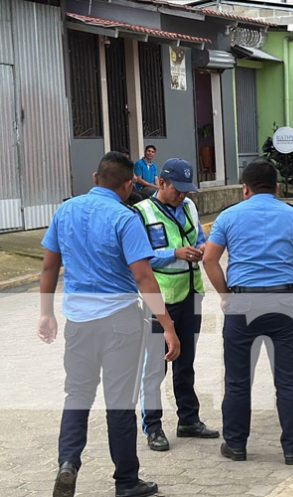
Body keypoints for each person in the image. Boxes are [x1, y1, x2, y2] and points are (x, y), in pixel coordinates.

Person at [38, 151, 181, 497]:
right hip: (120, 323)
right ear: (129, 185)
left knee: (77, 396)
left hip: (79, 324)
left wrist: (46, 313)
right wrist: (167, 324)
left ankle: (68, 463)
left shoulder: (65, 211)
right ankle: (126, 482)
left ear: (94, 178)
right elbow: (145, 278)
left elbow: (48, 268)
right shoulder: (125, 218)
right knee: (119, 403)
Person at [202, 158, 293, 465]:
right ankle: (292, 450)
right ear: (277, 188)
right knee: (288, 380)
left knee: (237, 380)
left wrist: (226, 296)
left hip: (241, 305)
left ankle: (235, 445)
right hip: (282, 304)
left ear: (245, 189)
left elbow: (209, 260)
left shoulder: (229, 217)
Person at [134, 158, 219, 452]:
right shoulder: (142, 213)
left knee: (186, 363)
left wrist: (203, 248)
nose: (181, 195)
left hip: (191, 294)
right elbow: (140, 258)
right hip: (160, 301)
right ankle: (153, 426)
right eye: (176, 190)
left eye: (186, 190)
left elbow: (201, 237)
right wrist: (175, 253)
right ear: (161, 183)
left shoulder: (189, 207)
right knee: (155, 368)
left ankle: (188, 419)